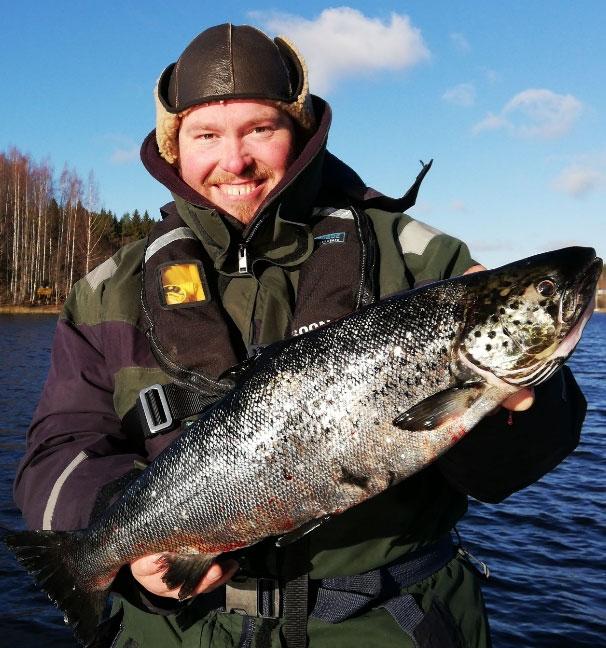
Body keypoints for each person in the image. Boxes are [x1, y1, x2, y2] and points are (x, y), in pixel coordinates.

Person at [13, 23, 586, 648]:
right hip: (175, 631)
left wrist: (524, 407)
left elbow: (507, 474)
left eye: (261, 128)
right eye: (207, 135)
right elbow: (56, 449)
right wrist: (119, 537)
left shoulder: (423, 263)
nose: (235, 161)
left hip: (392, 623)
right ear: (174, 147)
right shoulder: (108, 289)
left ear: (303, 132)